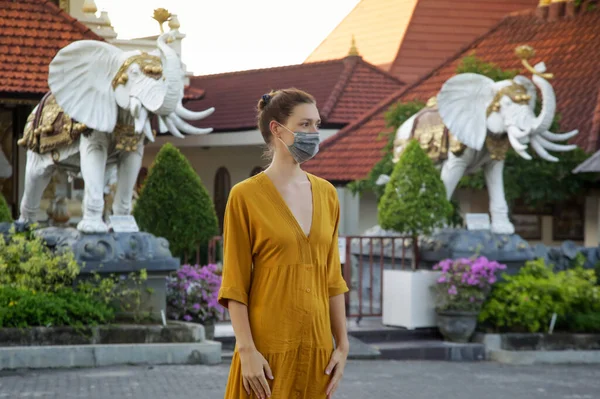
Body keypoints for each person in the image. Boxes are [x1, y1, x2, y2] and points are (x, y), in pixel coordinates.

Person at [217, 88, 350, 399]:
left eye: (317, 124)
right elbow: (234, 284)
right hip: (266, 352)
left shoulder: (328, 194)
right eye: (304, 125)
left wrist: (342, 344)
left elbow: (333, 278)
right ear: (277, 129)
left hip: (318, 351)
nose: (314, 133)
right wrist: (246, 350)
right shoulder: (245, 196)